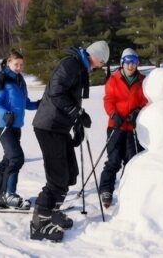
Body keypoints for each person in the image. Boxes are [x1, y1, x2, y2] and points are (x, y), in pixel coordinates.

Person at [30, 40, 109, 242]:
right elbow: (56, 92)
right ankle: (40, 223)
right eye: (103, 62)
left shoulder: (79, 66)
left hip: (59, 126)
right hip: (49, 126)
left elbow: (69, 98)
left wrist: (77, 121)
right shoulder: (71, 64)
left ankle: (54, 211)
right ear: (97, 58)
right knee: (57, 177)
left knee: (70, 173)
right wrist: (76, 113)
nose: (101, 66)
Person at [0, 49, 38, 209]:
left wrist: (40, 104)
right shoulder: (2, 78)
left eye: (21, 65)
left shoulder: (20, 80)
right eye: (16, 64)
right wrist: (5, 113)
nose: (19, 67)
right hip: (4, 125)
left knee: (8, 159)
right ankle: (9, 194)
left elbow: (25, 103)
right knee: (16, 158)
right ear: (8, 63)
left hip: (16, 126)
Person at [99, 48, 148, 208]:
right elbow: (108, 99)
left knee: (132, 160)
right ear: (122, 63)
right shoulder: (114, 79)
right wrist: (113, 114)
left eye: (134, 62)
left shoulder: (142, 80)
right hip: (116, 125)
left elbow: (145, 100)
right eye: (128, 62)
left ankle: (130, 189)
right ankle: (106, 189)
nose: (131, 66)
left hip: (133, 127)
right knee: (113, 160)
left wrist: (138, 111)